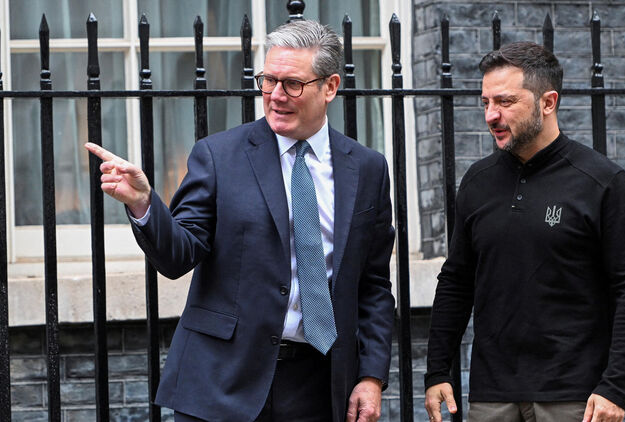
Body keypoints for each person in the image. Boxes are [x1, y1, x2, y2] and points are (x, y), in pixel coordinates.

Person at [85, 20, 395, 422]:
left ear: (330, 87)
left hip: (320, 385)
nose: (276, 95)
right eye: (269, 81)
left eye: (292, 84)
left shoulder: (368, 168)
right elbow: (178, 256)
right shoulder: (219, 156)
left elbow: (373, 285)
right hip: (221, 382)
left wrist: (371, 376)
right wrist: (144, 204)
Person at [423, 41, 625, 422]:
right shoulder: (477, 182)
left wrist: (614, 387)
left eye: (505, 102)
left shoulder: (602, 182)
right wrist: (436, 371)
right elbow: (456, 281)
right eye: (485, 102)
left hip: (574, 396)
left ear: (548, 102)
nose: (491, 115)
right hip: (491, 395)